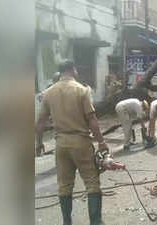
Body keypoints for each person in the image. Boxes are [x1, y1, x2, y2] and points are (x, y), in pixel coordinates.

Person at [35, 60, 108, 225]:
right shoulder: (81, 90)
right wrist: (101, 142)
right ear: (72, 70)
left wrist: (38, 143)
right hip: (80, 142)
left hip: (60, 144)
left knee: (64, 185)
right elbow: (91, 119)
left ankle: (66, 222)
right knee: (91, 182)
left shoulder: (48, 93)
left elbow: (40, 122)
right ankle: (95, 222)